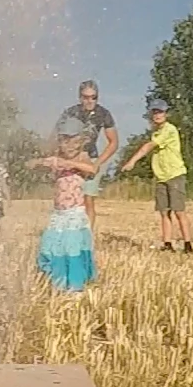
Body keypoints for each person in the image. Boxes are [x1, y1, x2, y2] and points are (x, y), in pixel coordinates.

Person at [29, 119, 97, 290]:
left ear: (81, 142)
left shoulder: (82, 157)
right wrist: (39, 163)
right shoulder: (56, 159)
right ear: (60, 142)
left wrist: (70, 164)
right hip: (58, 215)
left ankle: (75, 286)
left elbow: (92, 169)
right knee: (50, 245)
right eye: (65, 141)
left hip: (75, 214)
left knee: (71, 248)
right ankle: (56, 281)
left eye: (74, 142)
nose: (70, 146)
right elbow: (30, 164)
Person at [121, 99, 192, 252]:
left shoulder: (169, 129)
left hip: (174, 174)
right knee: (164, 211)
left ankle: (188, 244)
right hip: (161, 177)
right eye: (155, 112)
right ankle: (167, 244)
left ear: (166, 113)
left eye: (160, 111)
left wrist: (132, 161)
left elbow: (149, 146)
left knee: (179, 211)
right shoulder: (156, 132)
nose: (157, 115)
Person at [60, 81, 119, 234]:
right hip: (71, 158)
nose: (89, 101)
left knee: (88, 200)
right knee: (70, 198)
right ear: (80, 97)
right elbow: (57, 136)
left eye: (93, 97)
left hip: (92, 159)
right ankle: (68, 233)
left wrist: (98, 163)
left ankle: (87, 237)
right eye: (86, 97)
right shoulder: (71, 112)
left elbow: (114, 142)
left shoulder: (103, 114)